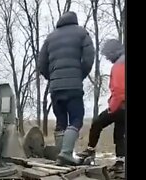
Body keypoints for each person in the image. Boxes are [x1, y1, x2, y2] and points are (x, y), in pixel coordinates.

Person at [38, 11, 95, 165]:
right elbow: (89, 58)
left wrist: (54, 78)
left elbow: (41, 64)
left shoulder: (50, 38)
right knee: (76, 119)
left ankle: (61, 158)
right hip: (73, 87)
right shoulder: (82, 33)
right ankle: (66, 153)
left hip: (55, 88)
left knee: (61, 122)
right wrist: (79, 75)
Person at [77, 39, 125, 172]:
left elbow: (120, 90)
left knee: (97, 123)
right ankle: (120, 163)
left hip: (120, 105)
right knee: (120, 133)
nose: (108, 58)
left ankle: (90, 150)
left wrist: (112, 108)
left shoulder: (119, 64)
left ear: (112, 52)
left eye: (107, 55)